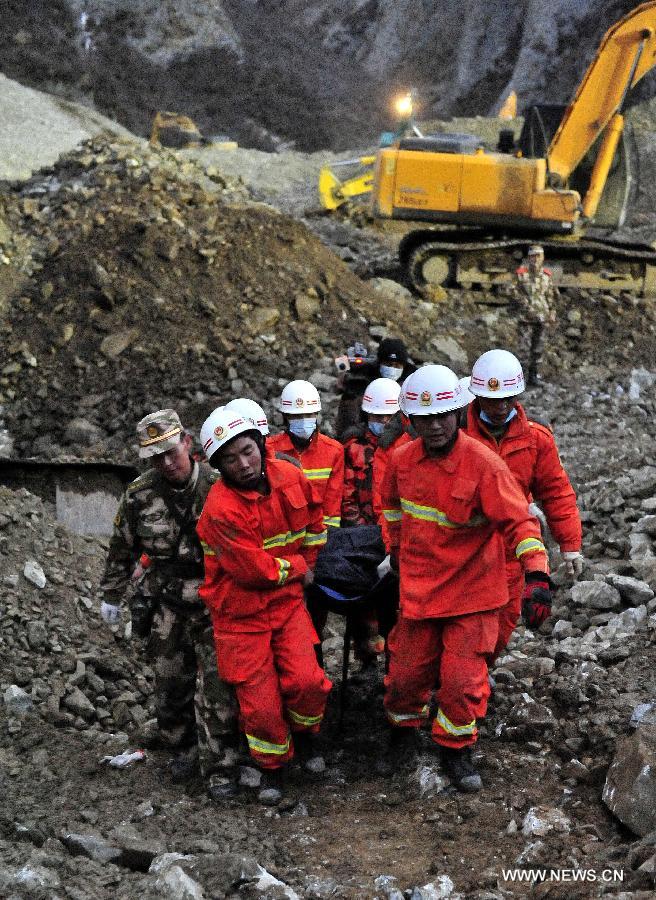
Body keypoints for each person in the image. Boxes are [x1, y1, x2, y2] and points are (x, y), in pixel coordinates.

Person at [380, 366, 551, 792]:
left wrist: (537, 575)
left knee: (461, 684)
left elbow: (520, 523)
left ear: (459, 412)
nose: (435, 425)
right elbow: (391, 512)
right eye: (425, 417)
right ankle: (402, 733)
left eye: (444, 414)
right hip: (419, 593)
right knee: (404, 678)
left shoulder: (484, 465)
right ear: (411, 420)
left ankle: (456, 748)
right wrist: (397, 554)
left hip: (473, 595)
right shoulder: (400, 462)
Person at [98, 409, 239, 800]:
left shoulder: (219, 485)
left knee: (217, 686)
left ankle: (221, 764)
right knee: (170, 682)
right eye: (156, 456)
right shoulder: (140, 495)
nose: (166, 463)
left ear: (188, 444)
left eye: (171, 452)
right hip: (168, 601)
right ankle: (182, 747)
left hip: (216, 601)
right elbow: (121, 548)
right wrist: (111, 595)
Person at [196, 407, 332, 804]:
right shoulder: (219, 510)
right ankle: (271, 768)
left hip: (287, 605)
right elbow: (254, 570)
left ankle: (306, 738)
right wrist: (301, 566)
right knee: (261, 707)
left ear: (260, 443)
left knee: (307, 682)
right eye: (230, 458)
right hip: (239, 616)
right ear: (218, 465)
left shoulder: (291, 477)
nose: (243, 464)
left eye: (248, 451)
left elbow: (315, 525)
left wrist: (310, 559)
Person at [465, 349, 582, 663]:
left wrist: (569, 545)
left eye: (508, 398)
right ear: (477, 397)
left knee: (499, 631)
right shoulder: (456, 436)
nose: (501, 407)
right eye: (493, 400)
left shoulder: (535, 439)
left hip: (513, 550)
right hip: (465, 550)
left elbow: (555, 491)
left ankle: (471, 684)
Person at [341, 377, 401, 660]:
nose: (385, 422)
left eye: (390, 416)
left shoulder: (406, 448)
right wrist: (359, 530)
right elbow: (347, 493)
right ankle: (365, 652)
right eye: (379, 416)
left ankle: (394, 656)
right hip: (364, 534)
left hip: (395, 534)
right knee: (363, 600)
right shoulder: (354, 448)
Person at [268, 380, 344, 531]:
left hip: (320, 536)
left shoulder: (334, 451)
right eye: (296, 416)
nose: (303, 421)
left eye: (309, 415)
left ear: (317, 415)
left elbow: (332, 508)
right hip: (284, 536)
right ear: (285, 417)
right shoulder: (270, 450)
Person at [335, 337, 416, 440]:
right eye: (388, 364)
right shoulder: (362, 378)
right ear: (380, 363)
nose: (392, 369)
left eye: (397, 365)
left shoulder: (412, 383)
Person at [509, 244, 559, 385]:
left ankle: (534, 377)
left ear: (542, 258)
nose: (535, 259)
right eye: (532, 256)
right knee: (524, 350)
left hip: (542, 318)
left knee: (538, 349)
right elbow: (511, 291)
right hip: (526, 317)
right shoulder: (521, 274)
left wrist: (552, 311)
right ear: (528, 258)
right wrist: (526, 306)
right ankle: (520, 380)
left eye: (538, 256)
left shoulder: (546, 276)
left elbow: (551, 295)